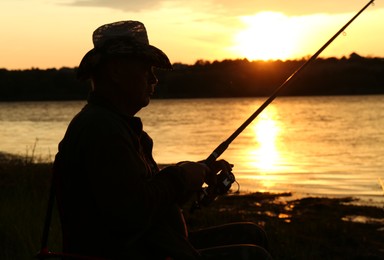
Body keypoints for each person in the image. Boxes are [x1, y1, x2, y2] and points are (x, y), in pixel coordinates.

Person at [53, 20, 272, 260]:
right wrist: (181, 177)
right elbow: (131, 213)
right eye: (146, 69)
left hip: (151, 244)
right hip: (129, 252)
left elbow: (146, 195)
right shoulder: (101, 130)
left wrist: (196, 173)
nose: (153, 79)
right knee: (254, 256)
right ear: (116, 71)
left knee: (252, 234)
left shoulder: (117, 126)